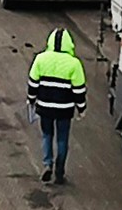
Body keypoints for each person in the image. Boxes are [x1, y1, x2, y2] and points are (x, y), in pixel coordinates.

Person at [26, 27, 87, 184]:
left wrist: (31, 100)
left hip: (44, 107)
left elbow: (33, 84)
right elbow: (79, 90)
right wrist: (81, 108)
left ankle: (47, 164)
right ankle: (60, 171)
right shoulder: (74, 64)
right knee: (62, 139)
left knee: (47, 135)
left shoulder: (40, 59)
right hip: (64, 109)